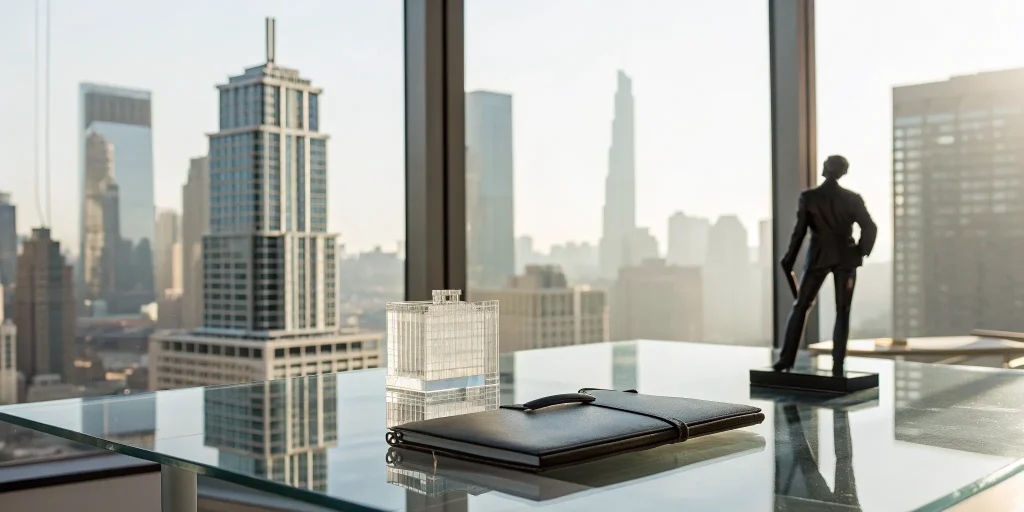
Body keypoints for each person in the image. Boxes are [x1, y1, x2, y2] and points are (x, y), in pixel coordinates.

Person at [775, 155, 877, 375]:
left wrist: (789, 258)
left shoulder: (810, 197)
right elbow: (870, 227)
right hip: (846, 258)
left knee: (801, 306)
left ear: (826, 169)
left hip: (819, 256)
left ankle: (785, 360)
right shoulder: (852, 198)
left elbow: (799, 232)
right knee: (843, 311)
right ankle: (838, 364)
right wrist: (859, 251)